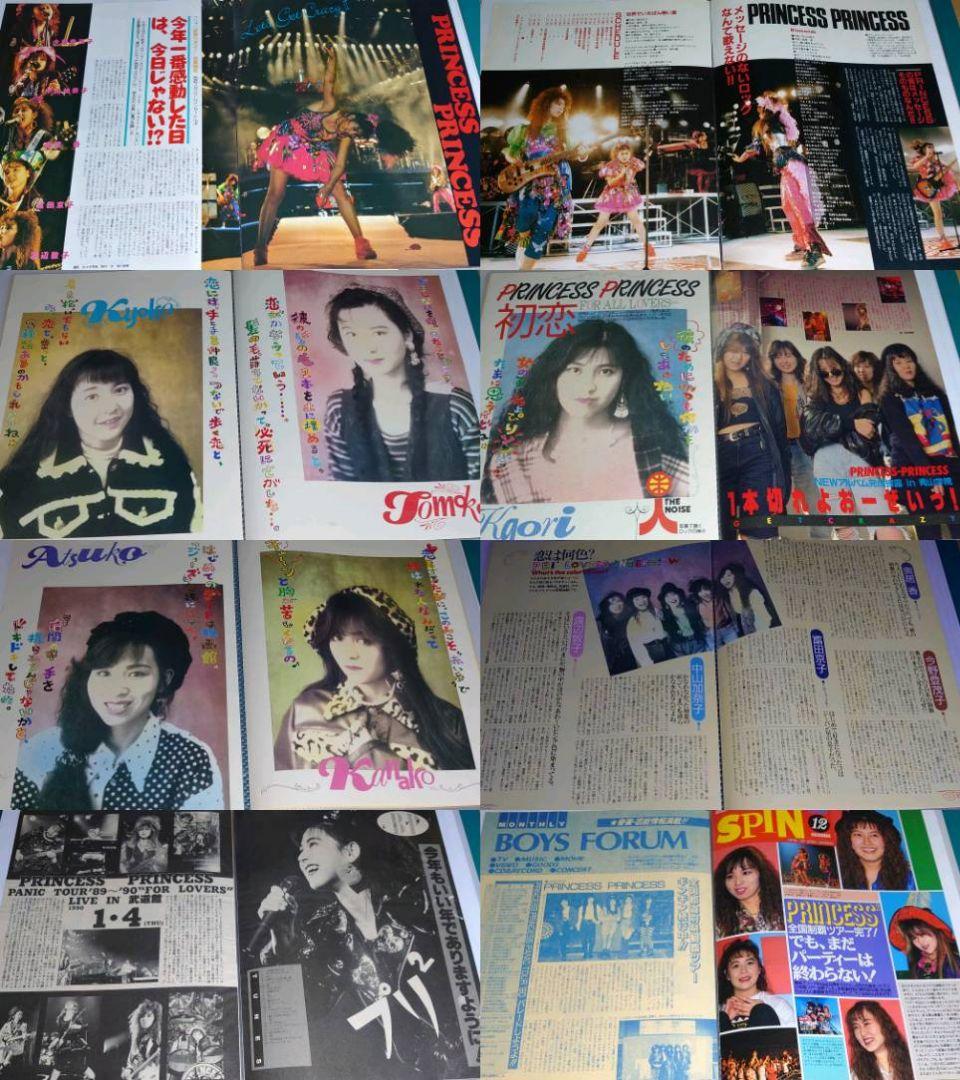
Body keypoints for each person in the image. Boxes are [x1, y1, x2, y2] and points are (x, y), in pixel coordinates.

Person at [253, 813, 466, 1077]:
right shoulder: (328, 933)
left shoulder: (414, 895)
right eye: (299, 852)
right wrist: (283, 939)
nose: (302, 858)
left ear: (350, 851)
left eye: (313, 844)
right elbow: (308, 1009)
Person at [12, 611, 223, 811]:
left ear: (164, 681)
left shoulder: (190, 758)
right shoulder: (43, 749)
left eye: (137, 674)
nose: (117, 689)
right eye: (104, 673)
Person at [484, 318, 689, 504]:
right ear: (553, 375)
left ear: (624, 378)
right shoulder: (513, 460)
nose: (588, 386)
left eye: (606, 371)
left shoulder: (653, 443)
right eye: (575, 370)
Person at [0, 349, 198, 539]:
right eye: (92, 396)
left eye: (120, 390)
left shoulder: (171, 465)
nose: (111, 407)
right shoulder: (23, 479)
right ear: (67, 406)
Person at [277, 585, 474, 772]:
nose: (349, 654)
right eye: (337, 638)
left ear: (392, 645)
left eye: (364, 640)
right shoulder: (307, 709)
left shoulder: (448, 721)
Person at [253, 45, 412, 264]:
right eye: (353, 129)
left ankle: (361, 243)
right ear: (351, 117)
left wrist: (326, 189)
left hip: (314, 150)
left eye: (354, 135)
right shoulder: (330, 106)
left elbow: (339, 166)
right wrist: (332, 59)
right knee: (275, 194)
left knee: (340, 191)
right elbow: (329, 81)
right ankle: (260, 247)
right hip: (288, 140)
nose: (349, 133)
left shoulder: (346, 135)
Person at [322, 284, 479, 482]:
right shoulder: (339, 410)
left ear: (407, 335)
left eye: (379, 333)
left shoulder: (456, 407)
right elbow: (341, 489)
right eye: (352, 335)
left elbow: (479, 486)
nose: (368, 347)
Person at [800, 346, 902, 539]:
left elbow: (868, 429)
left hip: (859, 457)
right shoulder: (816, 399)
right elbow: (811, 429)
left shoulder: (861, 393)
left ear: (843, 367)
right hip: (826, 460)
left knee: (884, 521)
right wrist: (852, 424)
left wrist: (832, 428)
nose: (831, 376)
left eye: (835, 370)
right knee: (843, 526)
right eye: (824, 373)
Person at [731, 92, 830, 269]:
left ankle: (815, 250)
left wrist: (739, 159)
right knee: (788, 206)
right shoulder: (769, 124)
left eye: (760, 106)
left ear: (765, 108)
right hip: (787, 167)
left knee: (799, 207)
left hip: (792, 166)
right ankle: (801, 245)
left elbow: (756, 148)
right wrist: (740, 158)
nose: (758, 109)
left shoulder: (772, 122)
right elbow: (757, 147)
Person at [714, 323, 790, 538]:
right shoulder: (708, 384)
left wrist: (784, 475)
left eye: (745, 352)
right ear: (722, 350)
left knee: (760, 525)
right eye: (733, 350)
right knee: (721, 526)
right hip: (720, 456)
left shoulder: (764, 385)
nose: (738, 357)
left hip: (757, 451)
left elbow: (779, 432)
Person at [495, 87, 580, 269]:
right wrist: (515, 161)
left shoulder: (564, 131)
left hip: (556, 182)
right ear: (545, 104)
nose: (561, 108)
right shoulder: (524, 130)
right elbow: (510, 153)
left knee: (545, 225)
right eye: (557, 104)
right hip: (530, 180)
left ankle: (524, 271)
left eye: (563, 106)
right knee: (525, 218)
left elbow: (579, 152)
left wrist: (583, 153)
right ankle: (522, 244)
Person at [878, 342, 960, 523]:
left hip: (949, 465)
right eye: (898, 363)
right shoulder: (890, 399)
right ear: (890, 368)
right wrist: (930, 475)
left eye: (909, 360)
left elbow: (953, 433)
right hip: (914, 469)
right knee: (928, 528)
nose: (906, 366)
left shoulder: (936, 394)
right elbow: (908, 440)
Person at [575, 141, 655, 264]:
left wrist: (630, 173)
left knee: (636, 221)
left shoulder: (633, 163)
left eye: (627, 153)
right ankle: (585, 250)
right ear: (616, 154)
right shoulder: (610, 166)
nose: (624, 156)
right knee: (601, 223)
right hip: (611, 195)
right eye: (622, 154)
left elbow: (641, 166)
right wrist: (622, 174)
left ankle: (647, 246)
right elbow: (611, 183)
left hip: (627, 195)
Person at [768, 339, 818, 514]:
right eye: (779, 356)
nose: (784, 360)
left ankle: (818, 529)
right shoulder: (770, 385)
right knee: (779, 487)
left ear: (796, 357)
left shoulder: (808, 382)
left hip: (803, 442)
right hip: (780, 442)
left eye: (788, 355)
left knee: (810, 487)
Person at [717, 937, 795, 1033]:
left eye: (749, 963)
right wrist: (724, 1018)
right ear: (727, 975)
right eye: (736, 965)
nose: (743, 970)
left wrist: (765, 1012)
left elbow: (794, 1038)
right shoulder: (720, 1010)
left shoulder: (778, 1004)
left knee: (762, 1011)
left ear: (759, 969)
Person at [714, 845, 784, 937]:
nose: (738, 882)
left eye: (746, 873)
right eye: (730, 876)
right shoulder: (718, 919)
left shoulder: (784, 906)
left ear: (761, 873)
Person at [835, 810, 915, 891]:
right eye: (858, 835)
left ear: (887, 840)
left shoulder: (910, 880)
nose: (867, 842)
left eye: (874, 835)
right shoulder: (838, 877)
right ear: (849, 841)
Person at [906, 140, 958, 254]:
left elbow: (945, 169)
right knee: (937, 214)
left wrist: (953, 162)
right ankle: (942, 239)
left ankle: (943, 238)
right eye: (929, 147)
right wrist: (926, 157)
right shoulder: (919, 158)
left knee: (939, 214)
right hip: (926, 188)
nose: (932, 149)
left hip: (936, 186)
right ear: (924, 149)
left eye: (932, 147)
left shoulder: (936, 159)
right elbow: (915, 166)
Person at [845, 1000, 915, 1080]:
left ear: (883, 1023)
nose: (862, 1033)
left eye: (866, 1023)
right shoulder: (856, 1074)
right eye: (856, 1027)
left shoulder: (912, 1060)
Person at [888, 903, 960, 979]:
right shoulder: (917, 965)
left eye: (922, 934)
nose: (920, 942)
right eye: (914, 938)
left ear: (935, 930)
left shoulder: (955, 960)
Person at [716, 562, 776, 636]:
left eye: (729, 575)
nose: (725, 579)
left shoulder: (752, 593)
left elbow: (764, 619)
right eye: (722, 577)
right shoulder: (727, 594)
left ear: (737, 575)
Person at [44, 1000, 95, 1080]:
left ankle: (92, 1077)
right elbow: (60, 1035)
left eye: (74, 1009)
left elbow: (83, 1028)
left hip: (74, 1046)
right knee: (59, 1066)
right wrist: (52, 1045)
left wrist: (78, 1027)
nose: (72, 1011)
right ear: (66, 1008)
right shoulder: (60, 1020)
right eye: (71, 1009)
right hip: (64, 1047)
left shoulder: (76, 1020)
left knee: (79, 1065)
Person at [624, 586, 673, 664]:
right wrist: (647, 662)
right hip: (653, 656)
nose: (641, 601)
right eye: (637, 599)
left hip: (668, 649)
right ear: (632, 602)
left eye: (644, 597)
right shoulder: (633, 622)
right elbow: (636, 646)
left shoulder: (656, 611)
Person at [657, 583, 706, 655]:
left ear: (679, 595)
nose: (671, 598)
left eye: (673, 594)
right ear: (664, 600)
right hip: (679, 645)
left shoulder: (690, 606)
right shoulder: (663, 614)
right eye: (667, 596)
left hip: (696, 641)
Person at [596, 591, 635, 675]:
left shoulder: (631, 618)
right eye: (612, 603)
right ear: (606, 606)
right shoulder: (600, 624)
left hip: (633, 660)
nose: (616, 605)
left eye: (619, 601)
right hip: (613, 665)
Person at [122, 1000, 161, 1080]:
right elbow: (134, 1059)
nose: (144, 1019)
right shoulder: (137, 1038)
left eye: (149, 1016)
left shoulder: (159, 1036)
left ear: (155, 1018)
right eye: (142, 1016)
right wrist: (129, 1070)